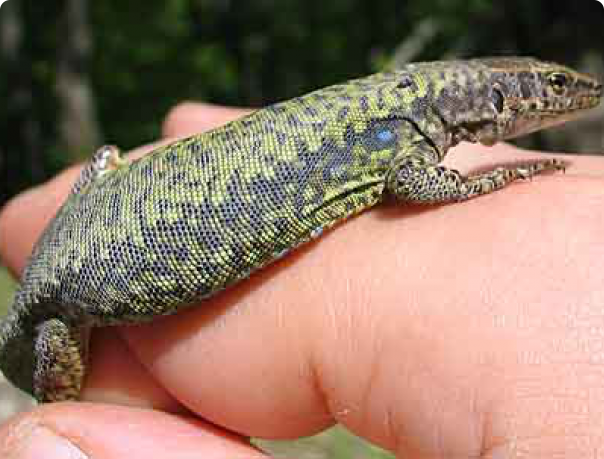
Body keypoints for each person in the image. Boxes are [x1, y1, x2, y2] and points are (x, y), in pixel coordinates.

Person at [0, 102, 603, 458]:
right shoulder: (54, 332)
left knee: (105, 161)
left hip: (82, 231)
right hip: (59, 296)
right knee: (64, 407)